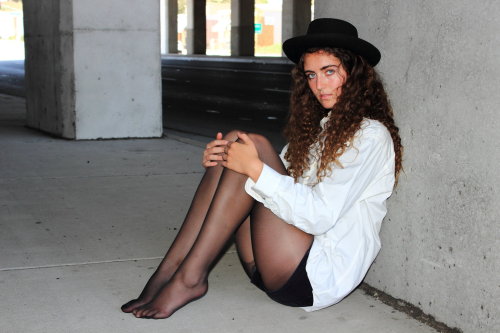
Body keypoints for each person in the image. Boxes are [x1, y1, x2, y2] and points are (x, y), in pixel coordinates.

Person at [121, 18, 403, 319]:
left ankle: (189, 278)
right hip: (269, 263)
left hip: (314, 276)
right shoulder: (322, 129)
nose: (319, 85)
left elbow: (320, 217)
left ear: (356, 73)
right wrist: (221, 164)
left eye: (329, 71)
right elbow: (279, 182)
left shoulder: (370, 136)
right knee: (234, 143)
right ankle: (171, 270)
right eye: (311, 75)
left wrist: (253, 168)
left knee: (251, 149)